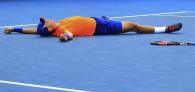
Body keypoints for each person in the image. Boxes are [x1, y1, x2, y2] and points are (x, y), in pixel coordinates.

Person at [4, 16, 182, 42]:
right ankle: (164, 30)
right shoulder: (60, 30)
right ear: (49, 29)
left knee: (130, 25)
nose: (48, 19)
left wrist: (15, 29)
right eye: (46, 22)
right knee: (133, 26)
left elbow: (32, 30)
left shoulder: (57, 23)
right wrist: (66, 38)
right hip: (102, 27)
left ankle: (106, 17)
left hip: (97, 19)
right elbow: (69, 34)